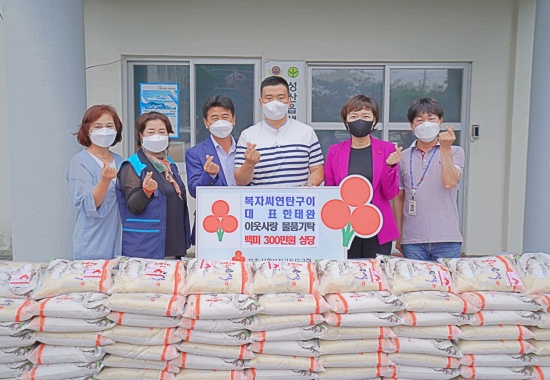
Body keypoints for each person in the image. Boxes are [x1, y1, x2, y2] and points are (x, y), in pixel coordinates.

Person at [324, 95, 402, 259]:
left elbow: (390, 194)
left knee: (375, 278)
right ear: (346, 121)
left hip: (378, 226)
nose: (360, 120)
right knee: (348, 277)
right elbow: (330, 192)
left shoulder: (388, 149)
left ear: (374, 121)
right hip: (345, 228)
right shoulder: (335, 151)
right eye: (353, 116)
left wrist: (389, 167)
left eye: (366, 116)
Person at [393, 97, 464, 261]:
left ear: (440, 122)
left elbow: (450, 182)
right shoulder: (403, 157)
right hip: (413, 239)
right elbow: (399, 197)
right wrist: (399, 234)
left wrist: (445, 148)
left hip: (447, 238)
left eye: (431, 119)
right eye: (420, 120)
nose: (426, 124)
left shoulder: (455, 151)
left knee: (446, 285)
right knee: (416, 286)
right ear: (412, 126)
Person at [116, 112, 190, 259]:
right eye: (151, 132)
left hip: (173, 249)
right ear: (141, 136)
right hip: (146, 249)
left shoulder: (169, 164)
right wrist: (146, 192)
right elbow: (133, 206)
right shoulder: (132, 165)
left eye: (162, 132)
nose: (157, 136)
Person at [234, 76, 324, 186]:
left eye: (281, 97)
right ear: (260, 102)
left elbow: (317, 169)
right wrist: (249, 163)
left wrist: (309, 185)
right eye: (269, 98)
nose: (275, 102)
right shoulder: (248, 135)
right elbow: (240, 181)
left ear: (289, 101)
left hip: (297, 201)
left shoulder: (307, 132)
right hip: (261, 201)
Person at [67, 105, 124, 260]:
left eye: (109, 126)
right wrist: (105, 181)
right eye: (98, 126)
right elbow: (87, 204)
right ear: (87, 130)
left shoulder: (119, 160)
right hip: (93, 241)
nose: (104, 130)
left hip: (117, 240)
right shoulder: (80, 162)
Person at [186, 95, 237, 197]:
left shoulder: (245, 148)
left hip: (245, 209)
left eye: (225, 117)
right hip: (215, 210)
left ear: (233, 120)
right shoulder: (195, 153)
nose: (220, 122)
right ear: (206, 123)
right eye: (214, 118)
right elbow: (193, 191)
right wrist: (209, 175)